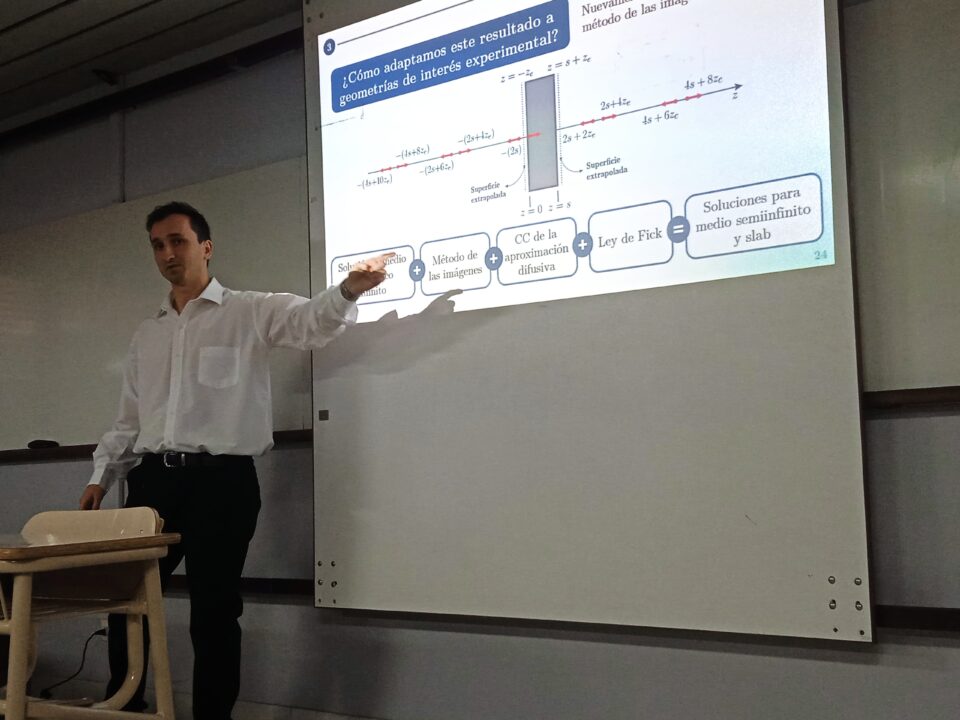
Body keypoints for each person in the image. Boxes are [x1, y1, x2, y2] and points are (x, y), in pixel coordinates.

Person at [79, 201, 392, 719]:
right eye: (158, 245)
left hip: (222, 484)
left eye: (178, 241)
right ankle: (126, 707)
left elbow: (310, 323)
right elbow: (129, 418)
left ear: (205, 247)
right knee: (127, 604)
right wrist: (101, 476)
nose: (167, 253)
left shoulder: (249, 310)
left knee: (214, 611)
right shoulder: (148, 333)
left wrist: (349, 290)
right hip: (153, 484)